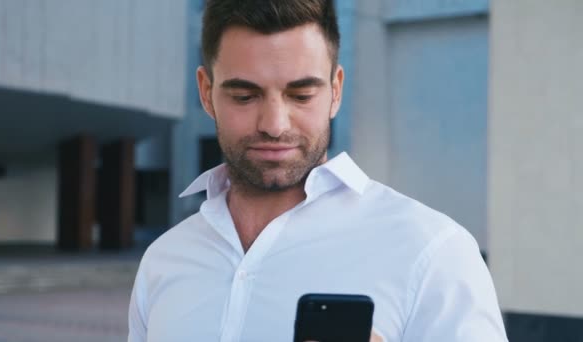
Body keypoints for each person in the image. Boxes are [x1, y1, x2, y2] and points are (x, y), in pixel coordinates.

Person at [128, 0, 508, 341]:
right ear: (206, 93)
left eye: (301, 95)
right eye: (244, 96)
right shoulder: (165, 259)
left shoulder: (433, 252)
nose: (275, 125)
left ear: (336, 90)